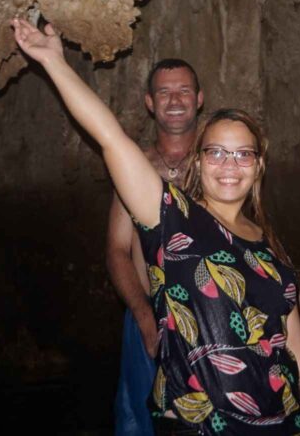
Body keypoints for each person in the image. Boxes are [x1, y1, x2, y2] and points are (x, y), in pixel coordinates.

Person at [11, 18, 300, 435]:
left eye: (243, 154)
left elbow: (295, 346)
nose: (229, 165)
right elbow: (112, 140)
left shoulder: (270, 247)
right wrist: (54, 62)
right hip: (204, 423)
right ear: (198, 162)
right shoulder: (172, 219)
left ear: (258, 167)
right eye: (217, 152)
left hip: (286, 422)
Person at [108, 58, 203, 435]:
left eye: (183, 91)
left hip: (211, 314)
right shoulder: (133, 167)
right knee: (140, 420)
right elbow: (116, 249)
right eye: (164, 92)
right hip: (150, 316)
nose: (174, 100)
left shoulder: (221, 165)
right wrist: (145, 315)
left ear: (199, 99)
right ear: (150, 102)